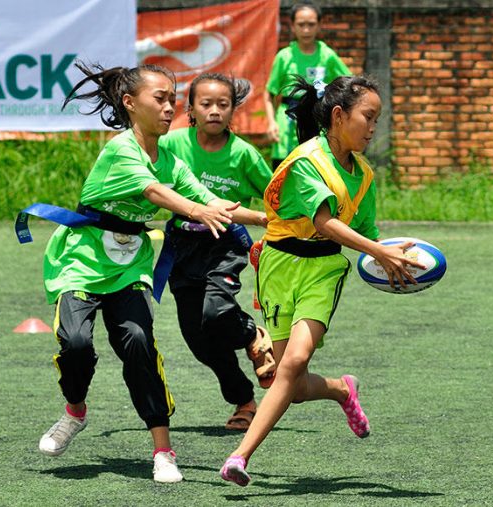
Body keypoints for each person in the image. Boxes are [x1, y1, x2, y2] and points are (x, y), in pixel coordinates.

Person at [37, 62, 253, 483]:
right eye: (160, 99)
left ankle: (163, 451)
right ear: (130, 103)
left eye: (173, 99)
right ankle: (74, 412)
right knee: (77, 343)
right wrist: (195, 209)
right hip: (81, 260)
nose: (170, 107)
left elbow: (214, 202)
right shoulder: (120, 149)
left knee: (137, 342)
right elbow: (156, 192)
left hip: (129, 261)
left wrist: (278, 219)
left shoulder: (170, 157)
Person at [219, 74, 425, 486]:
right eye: (368, 117)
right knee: (290, 385)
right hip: (278, 266)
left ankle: (240, 457)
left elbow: (362, 234)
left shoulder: (364, 176)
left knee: (293, 362)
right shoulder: (305, 162)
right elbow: (324, 221)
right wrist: (377, 251)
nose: (373, 127)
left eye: (376, 120)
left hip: (323, 269)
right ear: (338, 115)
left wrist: (390, 258)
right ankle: (341, 389)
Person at [159, 73, 274, 431]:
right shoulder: (172, 144)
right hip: (181, 246)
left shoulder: (243, 154)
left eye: (222, 105)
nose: (214, 111)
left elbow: (277, 199)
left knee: (217, 310)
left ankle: (252, 335)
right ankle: (244, 400)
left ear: (232, 109)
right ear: (190, 108)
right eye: (205, 104)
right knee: (198, 339)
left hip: (225, 244)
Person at [264, 0, 351, 169]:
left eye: (311, 24)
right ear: (292, 26)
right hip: (288, 121)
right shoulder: (284, 56)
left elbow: (347, 85)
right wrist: (271, 122)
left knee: (318, 169)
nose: (306, 30)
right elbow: (269, 93)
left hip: (318, 119)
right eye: (301, 24)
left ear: (319, 25)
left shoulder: (327, 55)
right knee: (283, 173)